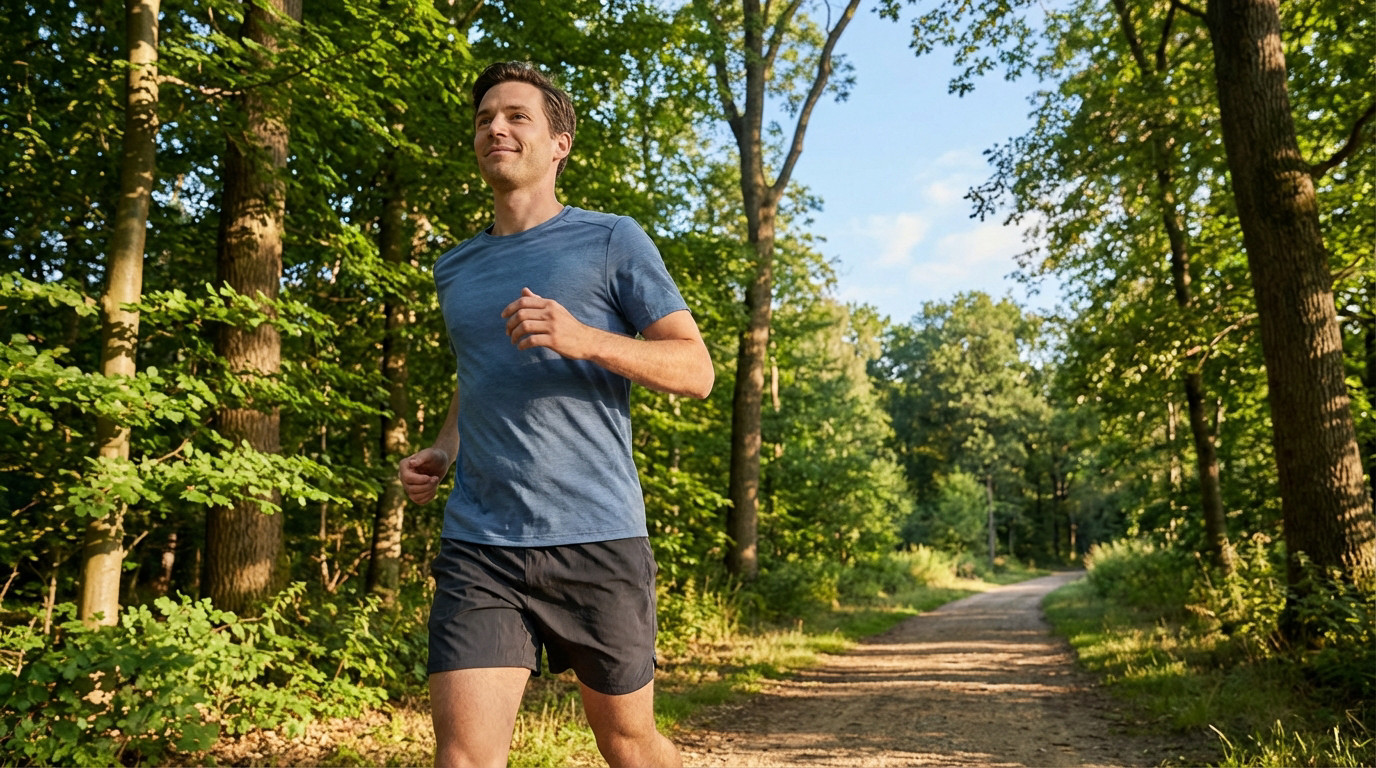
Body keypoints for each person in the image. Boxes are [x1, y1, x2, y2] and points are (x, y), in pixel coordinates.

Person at [398, 60, 713, 768]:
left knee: (628, 744)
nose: (495, 128)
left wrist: (583, 338)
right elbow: (477, 372)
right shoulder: (455, 266)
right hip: (481, 541)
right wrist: (444, 451)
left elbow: (696, 371)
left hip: (597, 535)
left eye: (516, 116)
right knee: (463, 757)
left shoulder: (611, 239)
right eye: (484, 119)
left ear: (558, 144)